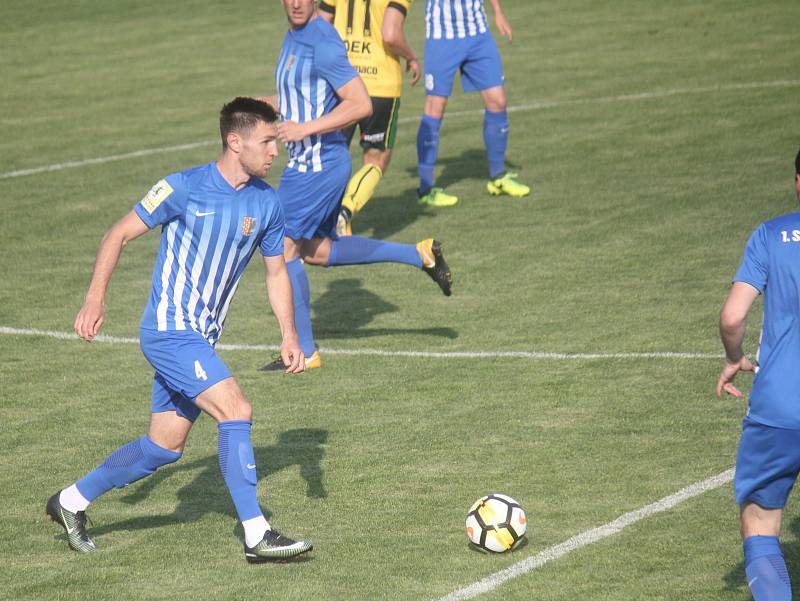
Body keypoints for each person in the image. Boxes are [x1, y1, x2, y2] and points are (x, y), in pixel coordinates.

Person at [45, 97, 313, 562]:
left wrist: (289, 334)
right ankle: (256, 535)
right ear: (236, 141)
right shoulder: (182, 188)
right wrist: (94, 299)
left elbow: (276, 273)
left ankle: (69, 501)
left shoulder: (267, 202)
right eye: (268, 141)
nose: (276, 151)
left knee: (163, 448)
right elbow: (117, 234)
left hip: (201, 337)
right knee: (236, 409)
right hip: (170, 332)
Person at [260, 0, 452, 372]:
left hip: (318, 167)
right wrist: (248, 107)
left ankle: (304, 352)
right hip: (305, 164)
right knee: (315, 250)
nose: (297, 3)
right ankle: (420, 254)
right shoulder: (294, 36)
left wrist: (305, 129)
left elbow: (360, 104)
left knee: (283, 247)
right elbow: (295, 98)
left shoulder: (323, 39)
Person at [715, 149, 800, 600]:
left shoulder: (772, 235)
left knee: (761, 521)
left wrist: (734, 357)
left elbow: (733, 317)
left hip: (779, 407)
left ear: (798, 181)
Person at [317, 0, 420, 236]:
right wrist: (412, 56)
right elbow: (391, 34)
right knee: (376, 159)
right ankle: (345, 211)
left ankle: (314, 225)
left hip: (342, 81)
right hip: (380, 85)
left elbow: (321, 25)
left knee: (330, 155)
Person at [415, 0, 530, 207]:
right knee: (435, 107)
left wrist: (497, 11)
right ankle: (425, 189)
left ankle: (498, 177)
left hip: (478, 34)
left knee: (498, 101)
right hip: (442, 37)